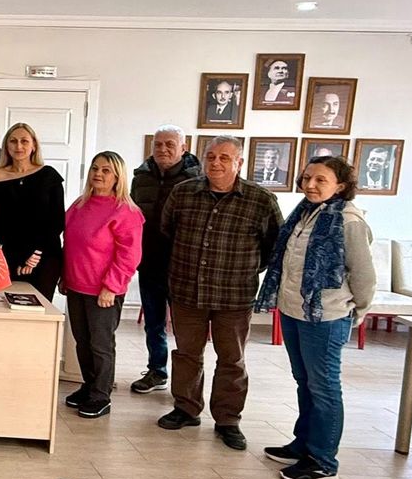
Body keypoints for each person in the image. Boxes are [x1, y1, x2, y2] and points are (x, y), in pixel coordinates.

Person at [158, 135, 282, 451]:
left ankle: (228, 420)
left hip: (234, 296)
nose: (215, 163)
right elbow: (167, 234)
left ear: (239, 162)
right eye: (211, 156)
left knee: (232, 359)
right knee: (187, 354)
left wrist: (243, 269)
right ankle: (186, 408)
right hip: (187, 291)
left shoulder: (261, 200)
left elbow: (273, 247)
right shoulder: (183, 193)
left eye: (224, 158)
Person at [256, 155, 375, 479]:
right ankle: (304, 445)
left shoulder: (348, 220)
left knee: (324, 387)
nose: (310, 184)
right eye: (307, 178)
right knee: (304, 381)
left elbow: (363, 274)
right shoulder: (305, 212)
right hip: (295, 310)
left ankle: (323, 462)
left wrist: (358, 309)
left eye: (320, 180)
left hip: (327, 316)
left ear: (341, 185)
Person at [59, 151, 145, 419]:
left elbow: (130, 255)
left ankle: (101, 395)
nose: (98, 174)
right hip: (76, 285)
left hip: (103, 291)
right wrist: (65, 276)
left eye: (106, 170)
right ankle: (89, 386)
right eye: (95, 168)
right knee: (82, 342)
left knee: (100, 345)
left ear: (118, 177)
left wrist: (112, 286)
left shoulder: (126, 211)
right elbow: (70, 244)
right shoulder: (80, 204)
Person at [129, 125, 200, 394]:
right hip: (149, 262)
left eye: (170, 144)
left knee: (185, 327)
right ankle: (157, 371)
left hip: (183, 266)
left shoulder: (196, 179)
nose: (163, 149)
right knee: (154, 322)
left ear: (183, 148)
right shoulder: (141, 177)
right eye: (158, 144)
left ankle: (186, 383)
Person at [0, 123, 64, 298]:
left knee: (38, 308)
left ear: (34, 145)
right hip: (8, 256)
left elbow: (56, 222)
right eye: (13, 141)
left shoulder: (49, 176)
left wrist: (34, 254)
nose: (18, 146)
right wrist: (17, 257)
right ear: (6, 146)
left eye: (24, 141)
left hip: (44, 256)